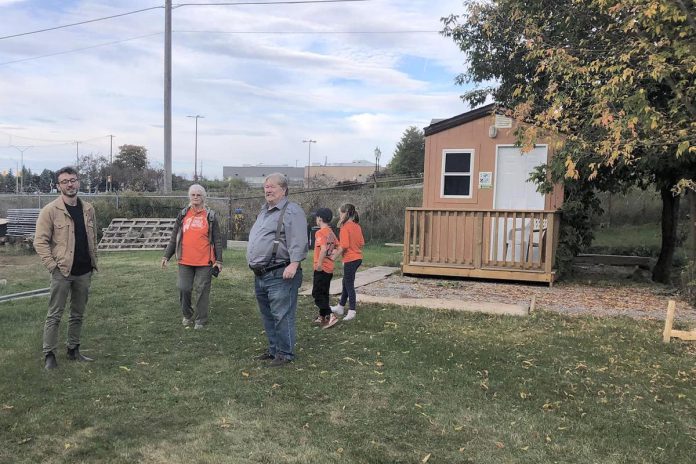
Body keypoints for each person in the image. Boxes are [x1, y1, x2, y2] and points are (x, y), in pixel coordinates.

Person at [34, 166, 98, 370]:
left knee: (78, 313)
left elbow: (92, 236)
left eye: (73, 180)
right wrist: (52, 266)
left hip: (84, 270)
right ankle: (49, 354)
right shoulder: (50, 211)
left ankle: (73, 349)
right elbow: (40, 242)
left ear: (78, 182)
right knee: (55, 314)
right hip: (62, 271)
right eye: (65, 181)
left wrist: (93, 261)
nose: (70, 184)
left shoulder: (88, 208)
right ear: (58, 186)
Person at [247, 173, 308, 367]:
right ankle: (274, 350)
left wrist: (294, 263)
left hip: (281, 272)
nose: (268, 190)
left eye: (272, 186)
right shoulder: (264, 211)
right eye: (266, 186)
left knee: (282, 315)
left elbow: (299, 239)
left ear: (284, 190)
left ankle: (285, 353)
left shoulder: (292, 211)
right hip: (262, 274)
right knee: (268, 315)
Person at [162, 184, 223, 329]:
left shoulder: (211, 216)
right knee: (184, 288)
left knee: (202, 290)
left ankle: (201, 319)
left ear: (204, 197)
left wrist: (219, 260)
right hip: (185, 260)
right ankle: (187, 314)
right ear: (189, 197)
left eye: (199, 195)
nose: (195, 197)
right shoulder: (183, 214)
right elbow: (174, 237)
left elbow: (217, 240)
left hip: (205, 261)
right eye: (193, 195)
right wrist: (166, 256)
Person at [330, 203, 365, 321]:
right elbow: (361, 243)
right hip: (358, 258)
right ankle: (340, 307)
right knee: (345, 283)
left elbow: (344, 245)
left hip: (350, 259)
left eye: (340, 213)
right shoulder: (357, 226)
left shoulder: (345, 227)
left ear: (346, 213)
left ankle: (352, 310)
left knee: (349, 285)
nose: (339, 216)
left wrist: (333, 258)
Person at [311, 208, 339, 329]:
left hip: (321, 268)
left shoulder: (320, 233)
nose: (316, 219)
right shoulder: (331, 232)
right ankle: (322, 316)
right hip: (329, 268)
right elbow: (339, 247)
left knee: (317, 293)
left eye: (316, 217)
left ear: (320, 219)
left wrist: (319, 264)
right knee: (324, 292)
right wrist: (333, 258)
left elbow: (322, 249)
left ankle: (330, 315)